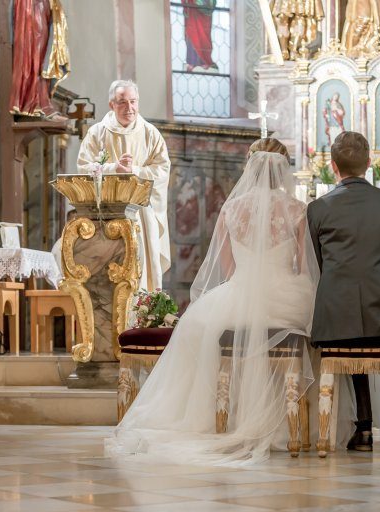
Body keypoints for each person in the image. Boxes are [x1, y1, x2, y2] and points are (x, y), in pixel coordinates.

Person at [106, 138, 319, 466]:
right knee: (310, 324)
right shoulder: (296, 209)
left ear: (250, 166)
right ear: (283, 169)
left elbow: (227, 267)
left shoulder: (232, 208)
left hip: (237, 291)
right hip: (285, 298)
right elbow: (302, 266)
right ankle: (288, 422)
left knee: (203, 330)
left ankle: (224, 419)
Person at [307, 131, 380, 451]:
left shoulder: (317, 209)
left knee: (352, 329)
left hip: (333, 318)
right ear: (370, 163)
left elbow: (317, 265)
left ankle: (362, 429)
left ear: (332, 167)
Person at [77, 80, 171, 290]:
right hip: (105, 216)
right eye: (122, 102)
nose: (129, 108)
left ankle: (142, 311)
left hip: (140, 214)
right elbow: (82, 168)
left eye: (133, 101)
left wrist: (134, 171)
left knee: (141, 270)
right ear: (112, 104)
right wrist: (113, 169)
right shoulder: (97, 132)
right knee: (105, 278)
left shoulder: (150, 133)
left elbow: (163, 170)